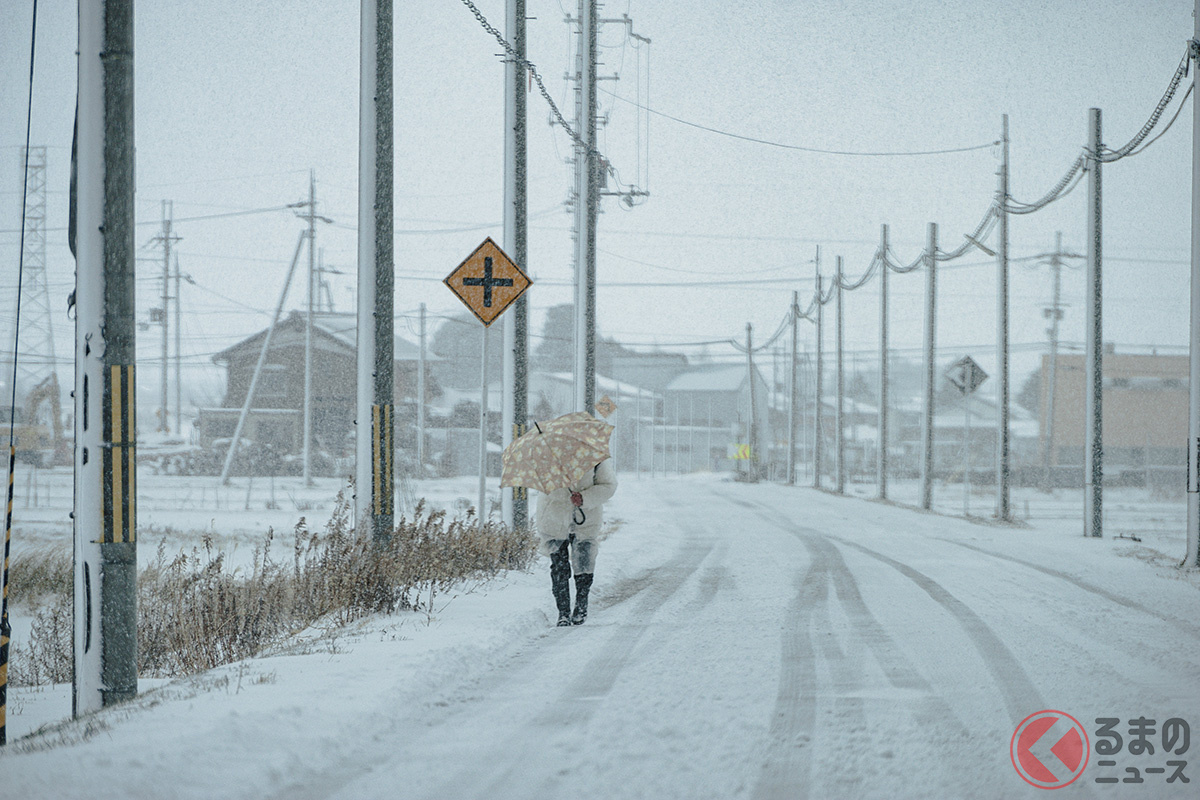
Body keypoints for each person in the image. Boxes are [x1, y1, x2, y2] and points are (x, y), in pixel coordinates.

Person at [535, 457, 618, 626]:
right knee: (559, 565)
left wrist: (585, 498)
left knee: (584, 562)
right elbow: (540, 482)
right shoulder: (545, 454)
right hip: (553, 516)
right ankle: (563, 613)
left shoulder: (596, 455)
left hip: (586, 517)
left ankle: (581, 605)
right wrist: (562, 487)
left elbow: (608, 485)